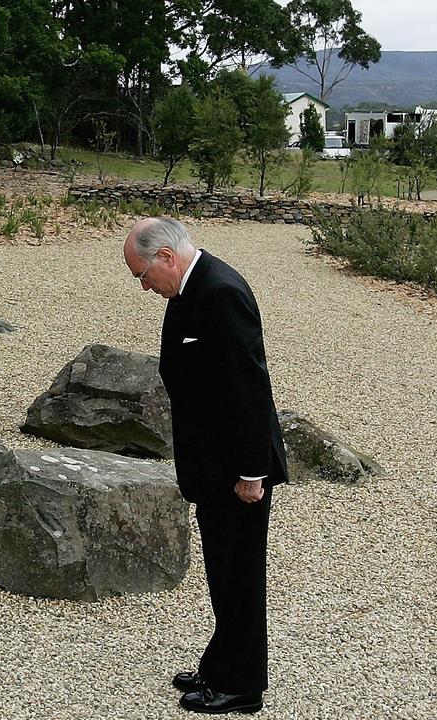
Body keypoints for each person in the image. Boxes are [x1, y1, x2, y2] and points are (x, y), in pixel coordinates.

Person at [123, 217, 288, 715]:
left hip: (238, 470)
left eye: (142, 274)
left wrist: (252, 471)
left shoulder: (220, 292)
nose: (143, 285)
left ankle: (242, 686)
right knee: (221, 570)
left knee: (238, 574)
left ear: (167, 257)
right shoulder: (188, 290)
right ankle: (221, 664)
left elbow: (249, 385)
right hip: (213, 465)